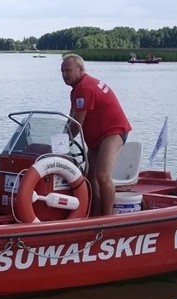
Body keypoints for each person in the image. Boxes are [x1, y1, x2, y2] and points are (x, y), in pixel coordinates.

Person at [60, 53, 132, 216]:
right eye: (62, 71)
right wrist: (62, 136)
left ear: (80, 70)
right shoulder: (78, 89)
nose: (64, 75)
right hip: (98, 136)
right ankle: (94, 214)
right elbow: (71, 119)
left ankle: (107, 218)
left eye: (68, 71)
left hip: (113, 131)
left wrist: (61, 144)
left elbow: (77, 125)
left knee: (102, 174)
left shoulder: (84, 88)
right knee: (90, 176)